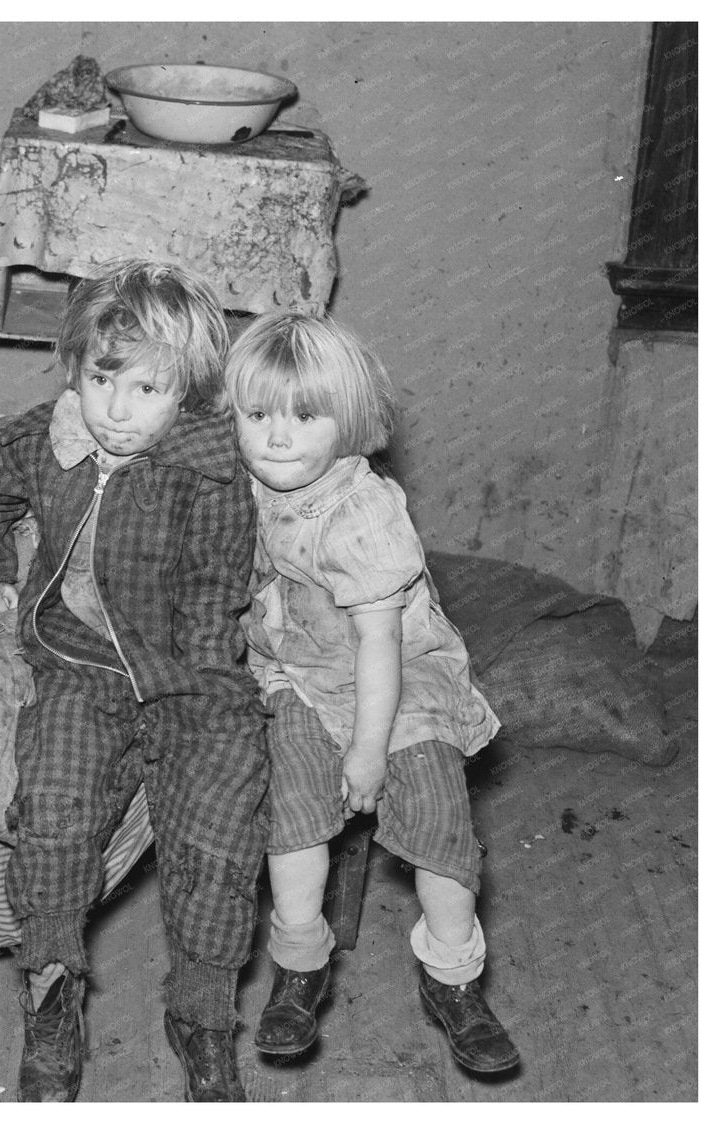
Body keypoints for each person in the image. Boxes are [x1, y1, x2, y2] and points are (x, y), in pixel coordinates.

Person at [0, 259, 268, 1102]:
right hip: (74, 663)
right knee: (53, 805)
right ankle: (52, 997)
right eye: (103, 379)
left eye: (149, 390)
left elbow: (213, 594)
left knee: (220, 824)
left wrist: (203, 700)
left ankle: (202, 1013)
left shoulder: (209, 471)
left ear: (188, 395)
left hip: (186, 674)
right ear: (75, 370)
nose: (118, 410)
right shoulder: (46, 440)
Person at [225, 310, 520, 1074]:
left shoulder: (363, 513)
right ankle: (299, 963)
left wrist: (366, 752)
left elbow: (380, 647)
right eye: (257, 416)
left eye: (305, 416)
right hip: (295, 668)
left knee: (432, 803)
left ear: (350, 424)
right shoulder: (249, 484)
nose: (277, 438)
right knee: (292, 802)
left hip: (392, 675)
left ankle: (453, 976)